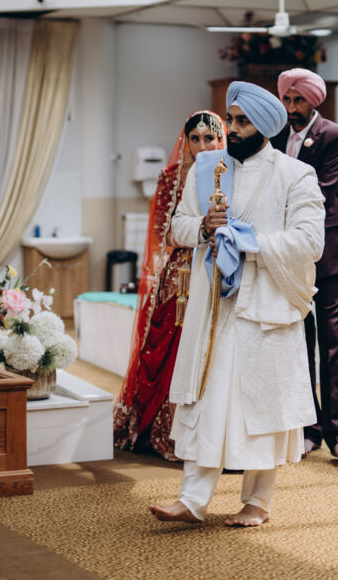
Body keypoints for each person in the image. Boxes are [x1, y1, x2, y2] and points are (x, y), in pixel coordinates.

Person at [149, 81, 325, 526]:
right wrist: (205, 228)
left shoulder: (295, 174)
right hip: (214, 307)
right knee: (206, 398)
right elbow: (177, 228)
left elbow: (311, 242)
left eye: (242, 121)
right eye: (230, 118)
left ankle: (257, 503)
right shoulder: (207, 168)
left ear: (264, 125)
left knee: (261, 406)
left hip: (265, 306)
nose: (231, 128)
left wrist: (250, 242)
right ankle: (191, 500)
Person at [113, 111, 226, 460]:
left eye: (209, 138)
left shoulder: (231, 172)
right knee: (171, 345)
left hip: (223, 266)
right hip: (183, 273)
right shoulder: (171, 176)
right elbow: (163, 232)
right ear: (186, 141)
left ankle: (212, 433)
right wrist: (200, 231)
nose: (203, 146)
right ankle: (162, 429)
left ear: (220, 139)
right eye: (196, 139)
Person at [272, 68, 338, 462]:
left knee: (332, 343)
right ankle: (309, 429)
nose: (291, 107)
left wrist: (278, 203)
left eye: (298, 100)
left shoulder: (335, 136)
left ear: (314, 101)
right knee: (300, 343)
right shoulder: (274, 136)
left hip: (330, 252)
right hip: (290, 255)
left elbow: (323, 188)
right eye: (287, 100)